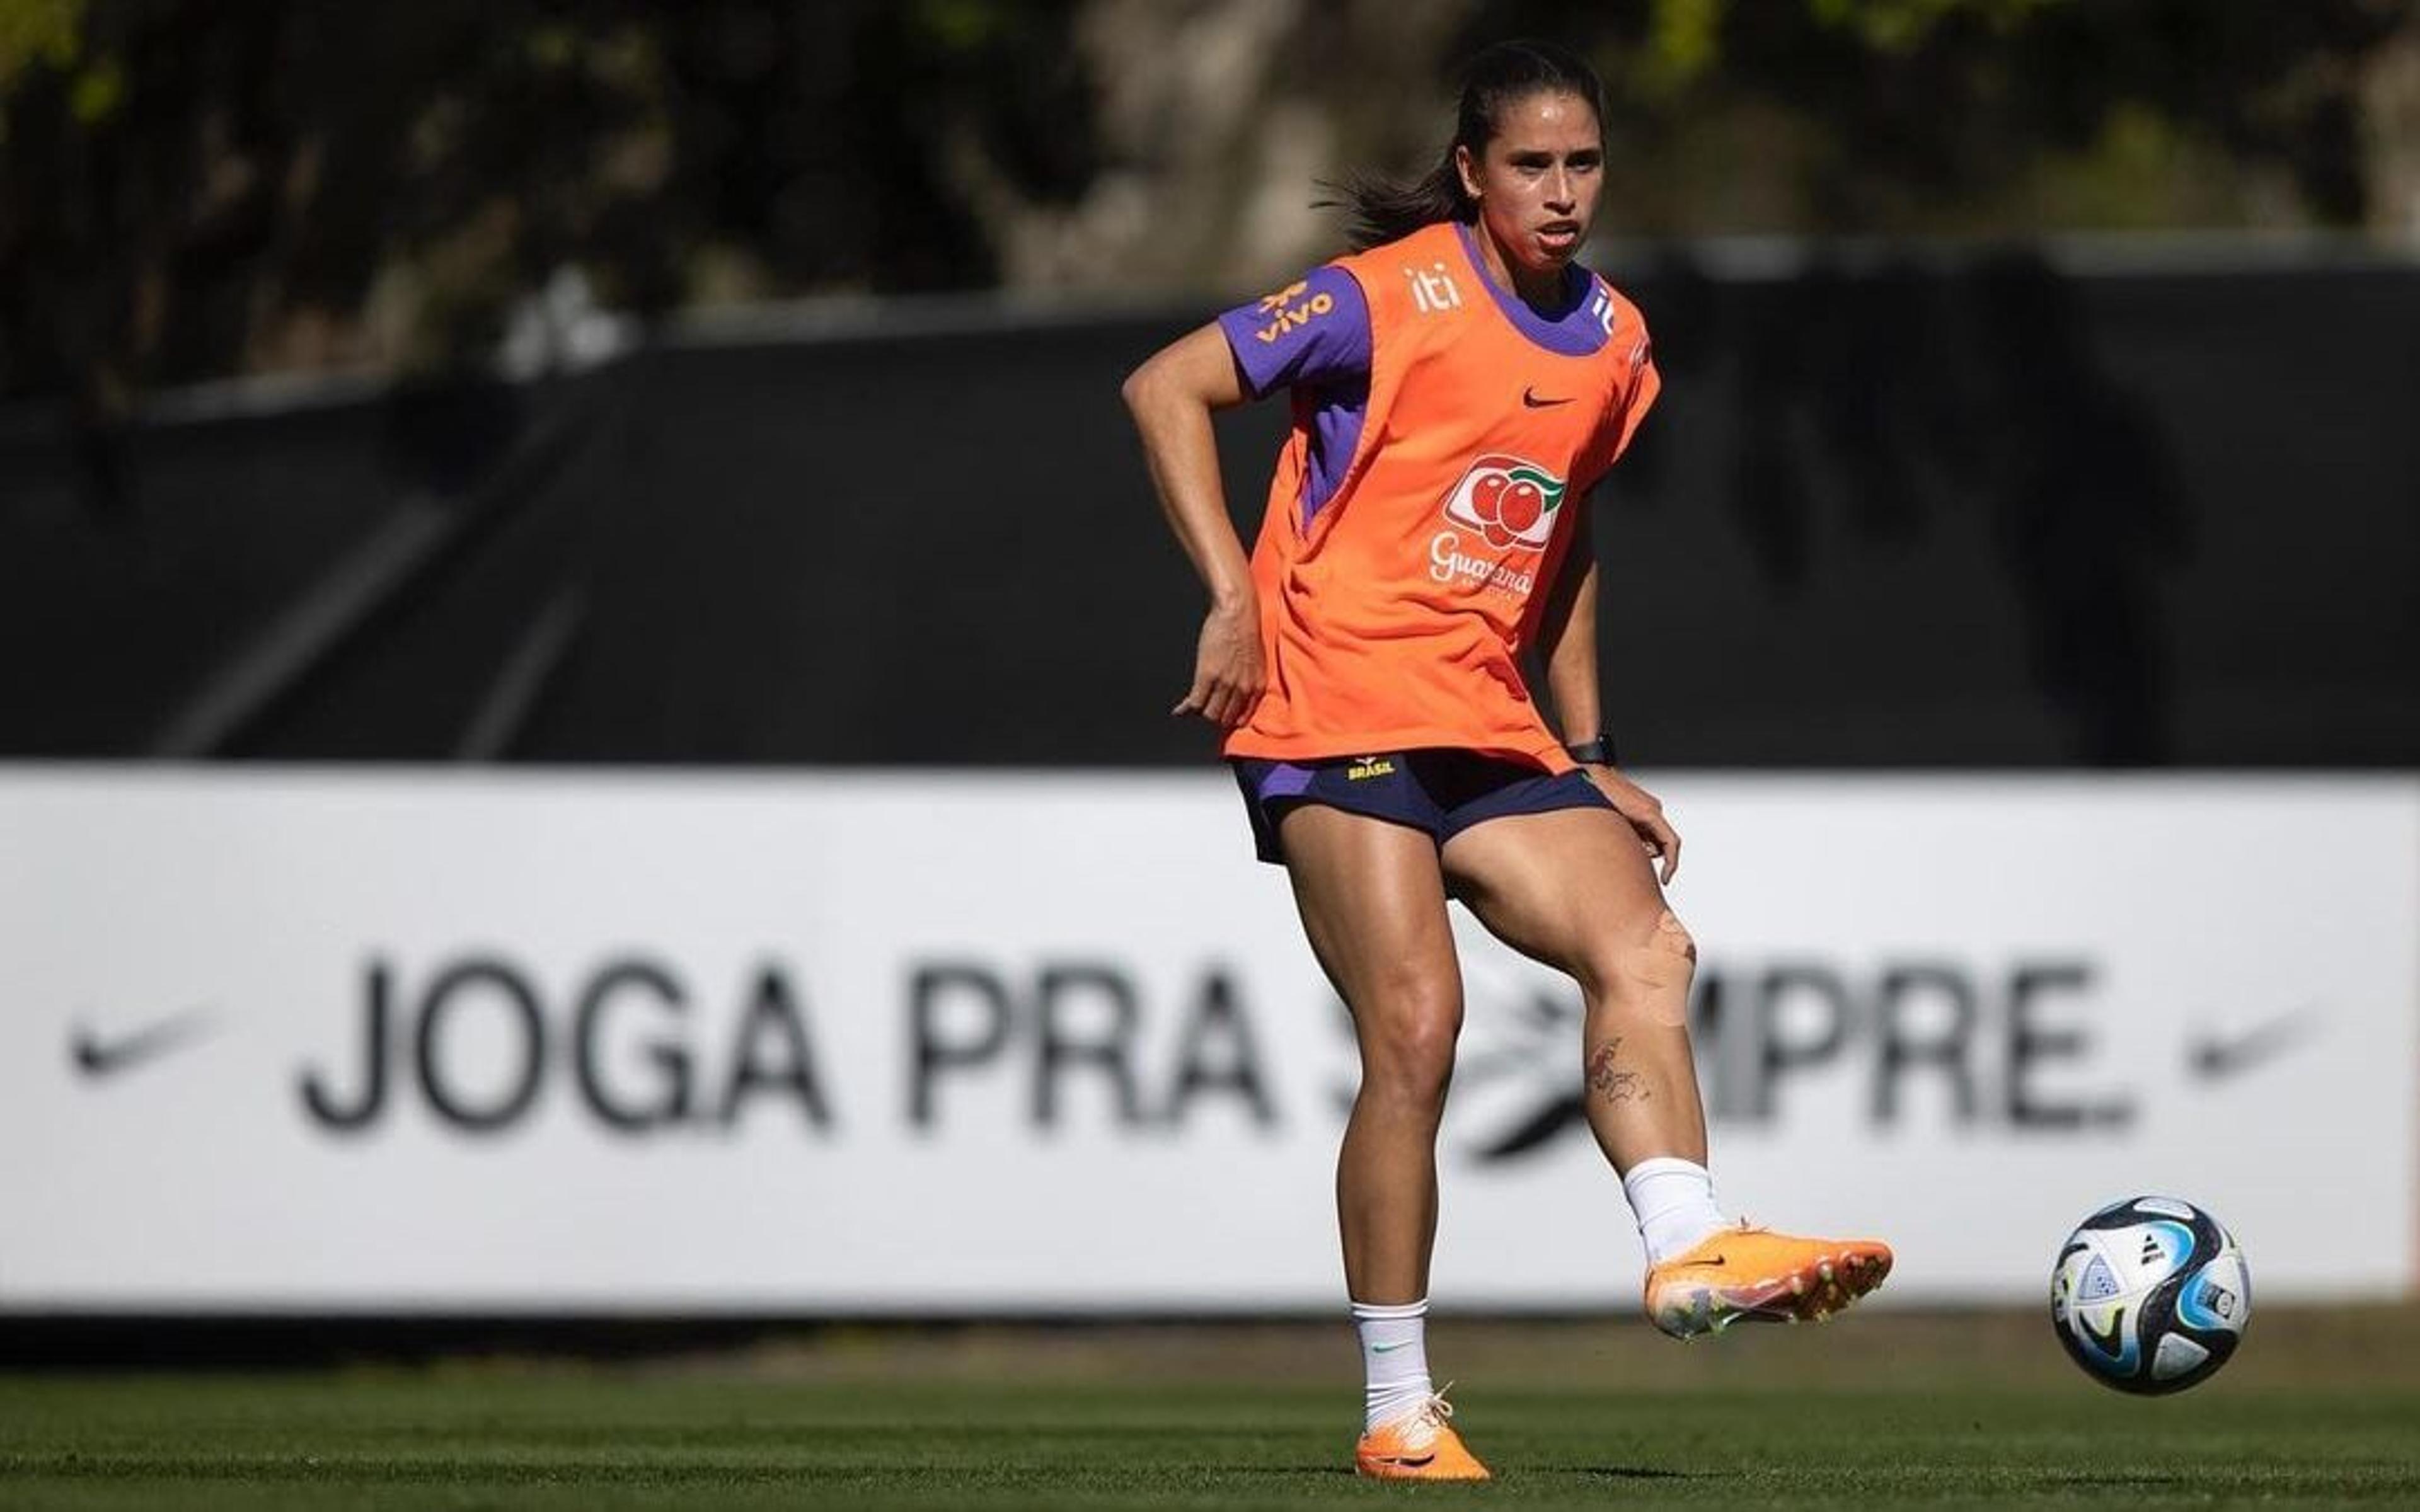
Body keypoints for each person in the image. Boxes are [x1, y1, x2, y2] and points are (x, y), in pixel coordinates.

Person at [1121, 39, 1890, 1482]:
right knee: (1418, 1029)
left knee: (1645, 945)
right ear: (1472, 173)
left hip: (1483, 718)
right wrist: (1229, 590)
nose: (1561, 191)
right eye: (1530, 164)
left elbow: (1565, 537)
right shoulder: (1381, 294)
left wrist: (1587, 751)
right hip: (1333, 705)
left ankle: (1686, 1246)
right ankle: (1398, 1412)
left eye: (1583, 163)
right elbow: (1167, 385)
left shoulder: (1613, 339)